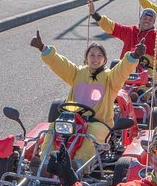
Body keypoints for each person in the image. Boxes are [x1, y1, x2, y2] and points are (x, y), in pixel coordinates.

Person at [30, 30, 144, 169]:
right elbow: (60, 64)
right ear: (86, 58)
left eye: (99, 55)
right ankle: (45, 162)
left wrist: (133, 56)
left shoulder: (110, 78)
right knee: (53, 128)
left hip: (99, 122)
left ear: (104, 59)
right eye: (92, 55)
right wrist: (43, 48)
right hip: (73, 119)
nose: (95, 58)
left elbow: (122, 70)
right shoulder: (78, 73)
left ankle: (78, 164)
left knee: (91, 134)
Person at [88, 0, 157, 80]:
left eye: (150, 20)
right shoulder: (130, 31)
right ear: (140, 19)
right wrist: (95, 14)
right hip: (126, 66)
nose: (147, 21)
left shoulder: (156, 34)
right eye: (145, 18)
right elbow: (111, 26)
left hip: (147, 69)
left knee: (152, 77)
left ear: (153, 23)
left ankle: (140, 95)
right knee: (111, 71)